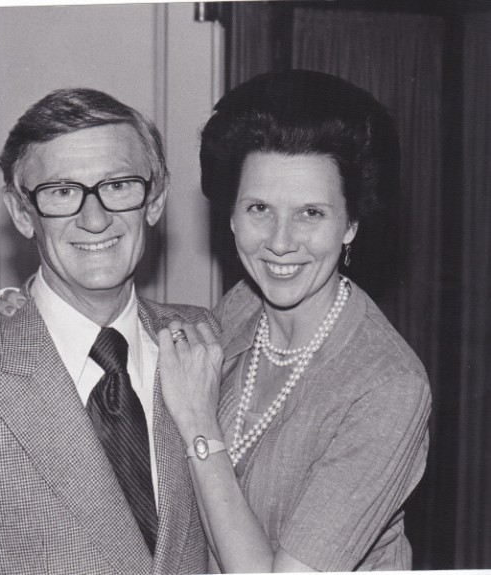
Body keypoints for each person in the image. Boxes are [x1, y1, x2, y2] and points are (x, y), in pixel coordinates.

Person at [0, 88, 216, 574]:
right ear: (22, 213)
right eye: (62, 192)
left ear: (154, 201)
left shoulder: (203, 338)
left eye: (118, 185)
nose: (95, 219)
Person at [156, 71, 431, 572]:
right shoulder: (243, 305)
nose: (280, 243)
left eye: (311, 213)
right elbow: (166, 339)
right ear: (232, 215)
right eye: (259, 207)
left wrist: (198, 424)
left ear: (350, 225)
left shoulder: (388, 389)